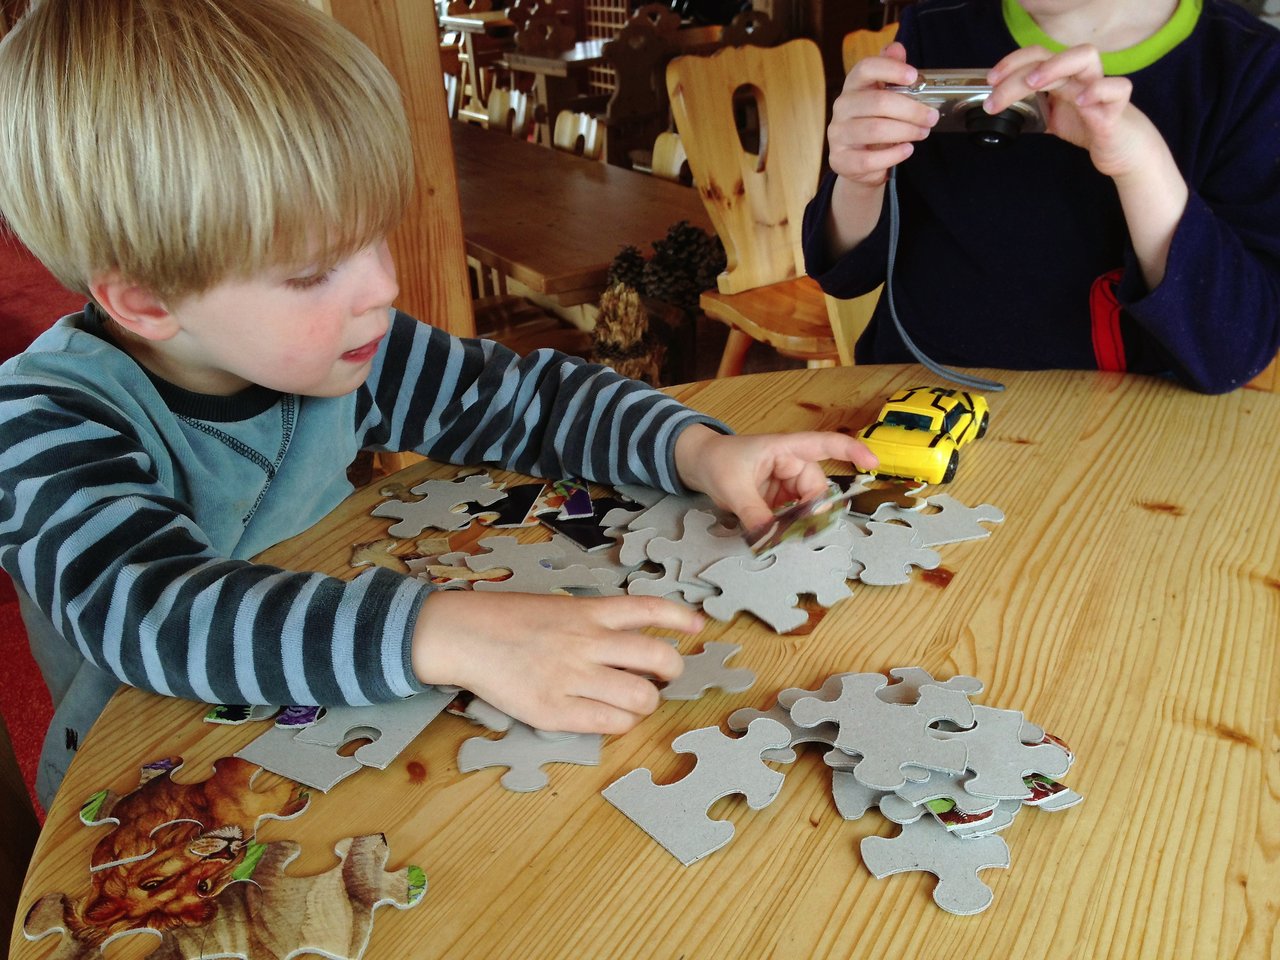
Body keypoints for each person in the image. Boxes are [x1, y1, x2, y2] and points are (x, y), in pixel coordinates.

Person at [0, 0, 877, 810]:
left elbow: (526, 400)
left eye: (372, 237)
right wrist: (448, 630)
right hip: (151, 778)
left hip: (331, 715)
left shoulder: (339, 347)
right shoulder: (46, 419)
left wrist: (695, 452)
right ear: (147, 301)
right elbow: (155, 610)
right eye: (311, 273)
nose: (382, 285)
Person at [803, 0, 1280, 394]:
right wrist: (860, 177)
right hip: (922, 399)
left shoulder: (1248, 67)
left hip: (1132, 430)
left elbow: (1230, 352)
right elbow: (847, 271)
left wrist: (1142, 165)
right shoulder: (935, 25)